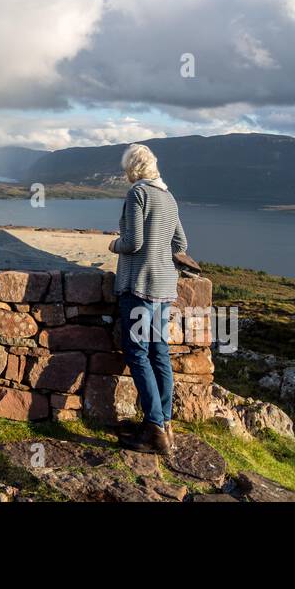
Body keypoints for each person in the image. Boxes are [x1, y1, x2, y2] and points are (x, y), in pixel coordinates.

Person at [108, 143, 187, 457]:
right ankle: (165, 424)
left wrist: (114, 244)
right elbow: (180, 242)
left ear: (133, 168)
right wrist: (159, 254)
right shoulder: (168, 196)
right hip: (164, 287)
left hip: (139, 286)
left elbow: (134, 242)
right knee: (159, 354)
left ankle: (154, 428)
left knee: (137, 353)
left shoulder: (138, 193)